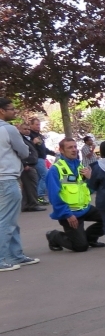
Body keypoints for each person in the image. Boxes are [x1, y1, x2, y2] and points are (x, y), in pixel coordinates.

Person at [44, 138, 105, 253]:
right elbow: (54, 196)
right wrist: (67, 214)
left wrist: (90, 178)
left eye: (75, 147)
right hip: (69, 213)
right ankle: (53, 236)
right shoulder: (55, 170)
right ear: (61, 150)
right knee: (81, 247)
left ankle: (90, 239)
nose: (74, 150)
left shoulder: (80, 166)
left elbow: (90, 189)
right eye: (70, 147)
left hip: (84, 208)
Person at [0, 98, 39, 271]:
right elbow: (24, 152)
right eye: (11, 108)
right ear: (2, 111)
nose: (14, 111)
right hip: (7, 178)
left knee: (8, 219)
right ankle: (2, 258)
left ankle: (15, 255)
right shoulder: (8, 129)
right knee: (7, 221)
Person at [17, 123, 46, 212]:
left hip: (31, 164)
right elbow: (19, 153)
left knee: (28, 186)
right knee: (32, 185)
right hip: (28, 165)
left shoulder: (26, 138)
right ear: (20, 129)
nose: (27, 131)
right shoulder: (20, 139)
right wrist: (25, 164)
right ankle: (33, 204)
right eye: (25, 129)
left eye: (28, 129)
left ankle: (26, 205)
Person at [28, 117, 54, 204]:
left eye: (39, 125)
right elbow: (27, 147)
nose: (38, 126)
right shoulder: (30, 135)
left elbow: (43, 148)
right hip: (37, 158)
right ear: (31, 125)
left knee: (40, 178)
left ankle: (38, 197)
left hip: (42, 158)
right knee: (45, 176)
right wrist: (33, 142)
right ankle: (40, 196)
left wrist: (53, 153)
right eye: (36, 124)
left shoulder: (38, 135)